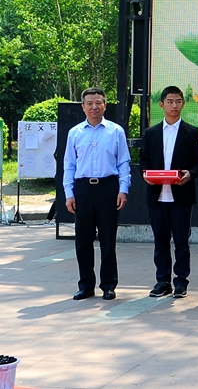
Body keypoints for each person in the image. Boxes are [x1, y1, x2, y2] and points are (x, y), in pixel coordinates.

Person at [63, 87, 131, 301]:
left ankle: (109, 285)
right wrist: (69, 193)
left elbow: (123, 163)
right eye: (90, 103)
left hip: (108, 187)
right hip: (82, 189)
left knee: (108, 239)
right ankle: (86, 285)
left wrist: (123, 190)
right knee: (83, 240)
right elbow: (69, 165)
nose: (94, 107)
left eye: (98, 102)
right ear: (83, 107)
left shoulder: (115, 131)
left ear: (105, 105)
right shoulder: (75, 133)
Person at [139, 86, 198, 299]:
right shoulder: (151, 133)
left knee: (181, 242)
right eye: (170, 101)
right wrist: (146, 175)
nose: (174, 105)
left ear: (183, 104)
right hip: (157, 196)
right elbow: (144, 162)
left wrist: (189, 174)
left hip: (181, 196)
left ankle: (181, 282)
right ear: (161, 104)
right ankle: (162, 281)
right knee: (160, 241)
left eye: (178, 101)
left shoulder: (192, 132)